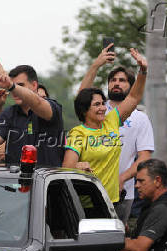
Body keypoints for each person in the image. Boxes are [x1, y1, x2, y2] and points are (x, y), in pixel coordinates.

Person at [78, 43, 155, 222]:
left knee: (113, 245)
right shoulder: (98, 111)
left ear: (131, 85)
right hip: (88, 189)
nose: (116, 83)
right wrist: (96, 65)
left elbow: (144, 157)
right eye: (112, 80)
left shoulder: (140, 118)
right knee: (87, 244)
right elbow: (81, 97)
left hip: (122, 192)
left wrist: (121, 178)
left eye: (122, 80)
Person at [63, 48, 148, 203]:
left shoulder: (112, 121)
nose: (103, 107)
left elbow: (134, 97)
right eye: (97, 104)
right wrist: (77, 165)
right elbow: (66, 167)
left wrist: (142, 71)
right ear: (84, 110)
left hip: (111, 202)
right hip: (85, 204)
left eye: (103, 103)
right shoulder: (78, 133)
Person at [0, 62, 64, 167]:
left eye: (20, 85)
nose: (14, 91)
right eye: (12, 87)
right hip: (15, 181)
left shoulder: (53, 107)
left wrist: (11, 85)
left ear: (35, 85)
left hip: (46, 181)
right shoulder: (9, 113)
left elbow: (38, 103)